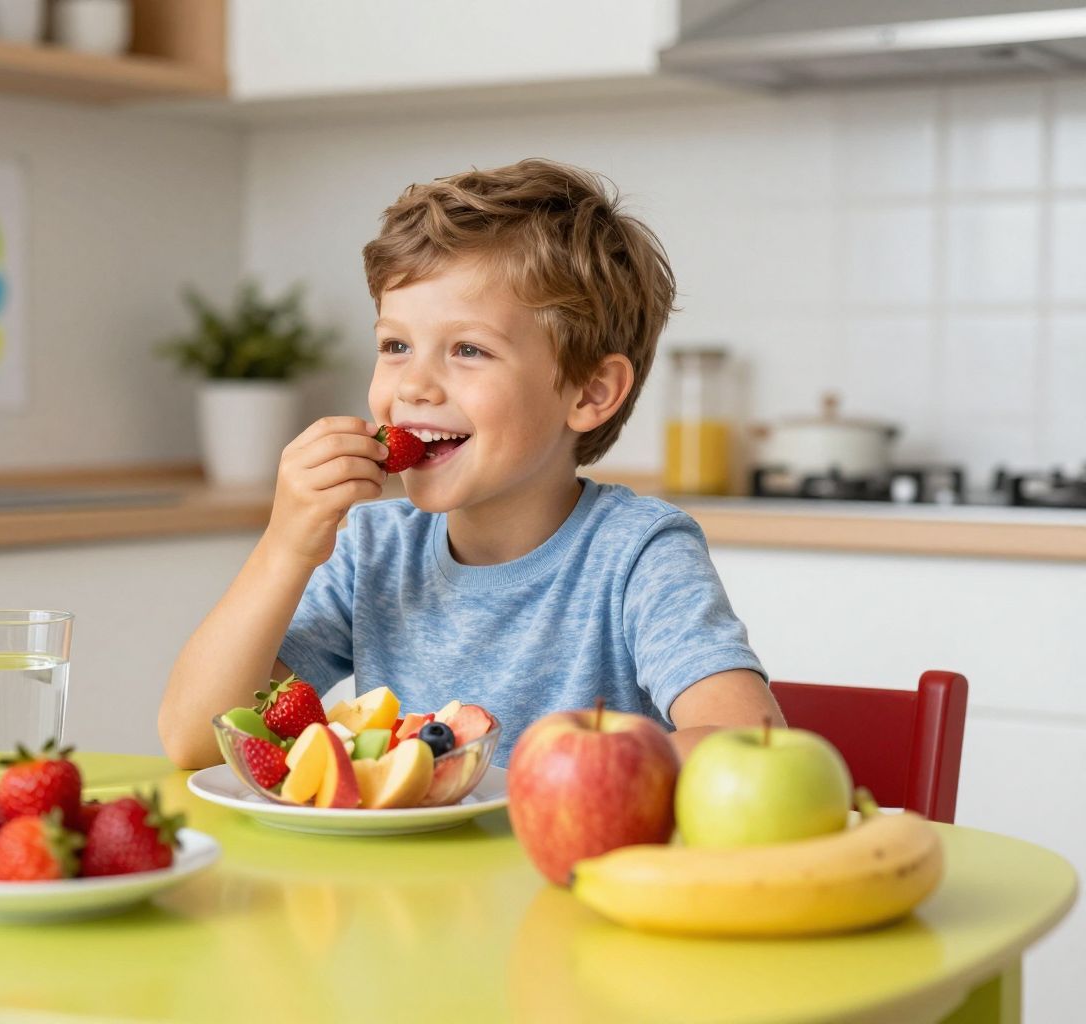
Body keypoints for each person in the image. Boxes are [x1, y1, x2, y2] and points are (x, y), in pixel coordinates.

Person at [159, 158, 780, 770]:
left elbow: (747, 741)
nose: (415, 386)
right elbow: (197, 738)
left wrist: (572, 775)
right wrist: (285, 546)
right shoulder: (376, 551)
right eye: (396, 345)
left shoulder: (636, 554)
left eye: (468, 349)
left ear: (590, 392)